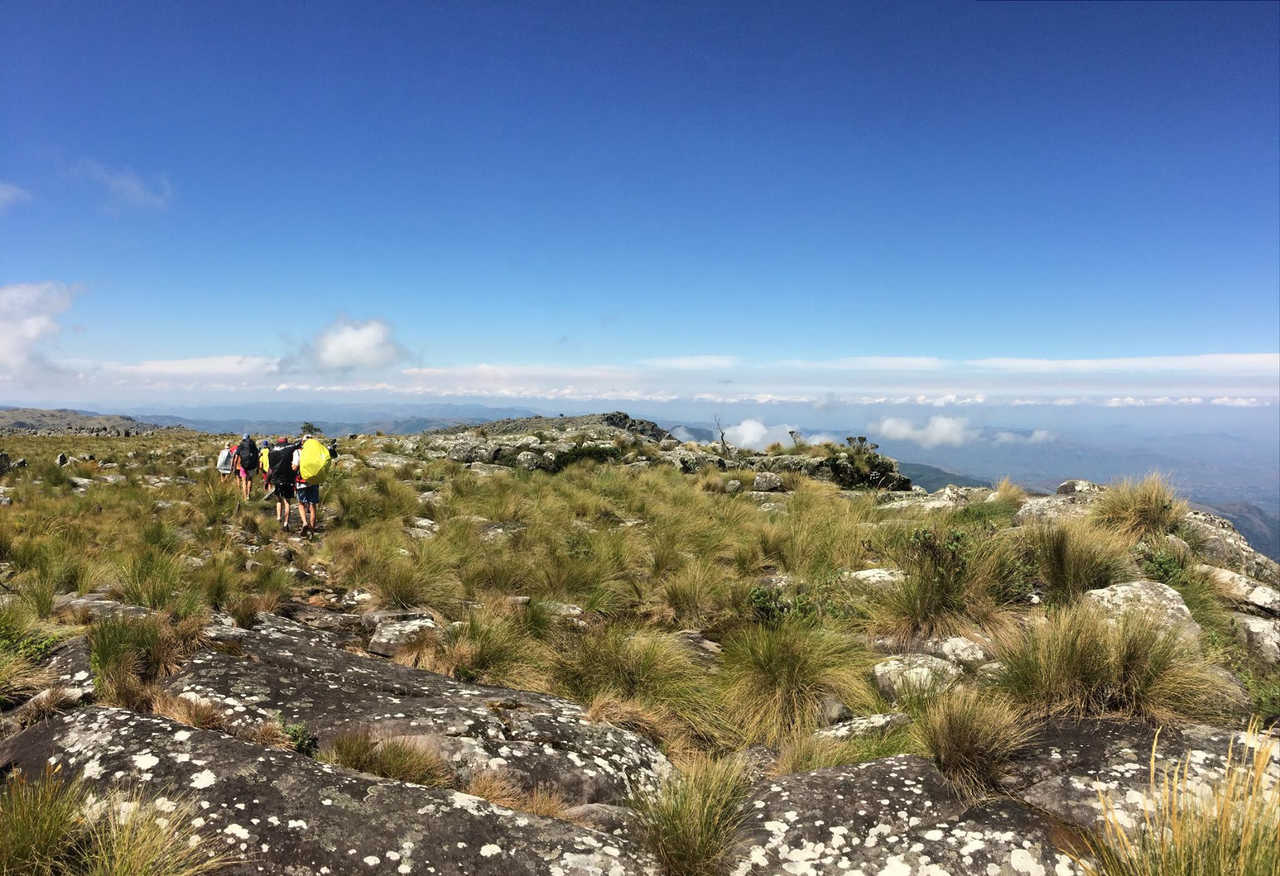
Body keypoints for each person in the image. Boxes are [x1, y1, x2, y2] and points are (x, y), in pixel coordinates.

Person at [267, 436, 300, 530]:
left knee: (278, 500)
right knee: (287, 502)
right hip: (288, 479)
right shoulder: (290, 449)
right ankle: (286, 523)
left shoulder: (273, 450)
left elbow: (270, 468)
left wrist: (267, 480)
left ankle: (278, 518)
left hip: (277, 479)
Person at [293, 434, 320, 535]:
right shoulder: (316, 453)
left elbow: (295, 467)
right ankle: (312, 529)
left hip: (301, 482)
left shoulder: (298, 452)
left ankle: (304, 523)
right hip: (313, 481)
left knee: (301, 503)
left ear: (302, 442)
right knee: (312, 505)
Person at [231, 433, 259, 501]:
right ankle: (248, 495)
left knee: (244, 481)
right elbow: (257, 456)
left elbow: (236, 457)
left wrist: (234, 466)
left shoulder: (241, 445)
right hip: (252, 466)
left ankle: (245, 497)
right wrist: (257, 467)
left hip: (243, 466)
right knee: (249, 480)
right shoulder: (253, 444)